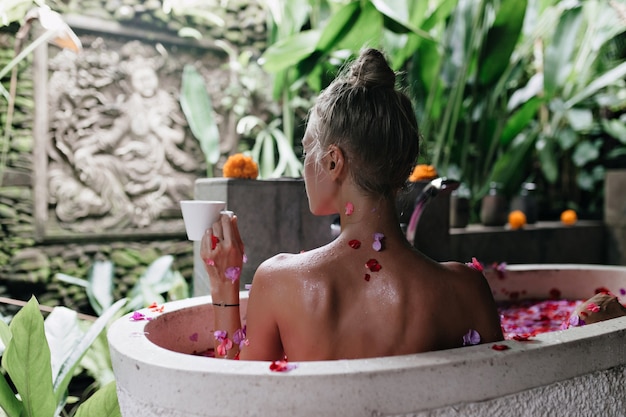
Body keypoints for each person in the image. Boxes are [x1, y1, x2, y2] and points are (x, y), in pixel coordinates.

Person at [200, 48, 503, 361]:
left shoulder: (279, 283)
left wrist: (224, 285)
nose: (305, 168)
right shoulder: (466, 290)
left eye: (307, 152)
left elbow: (240, 394)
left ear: (334, 162)